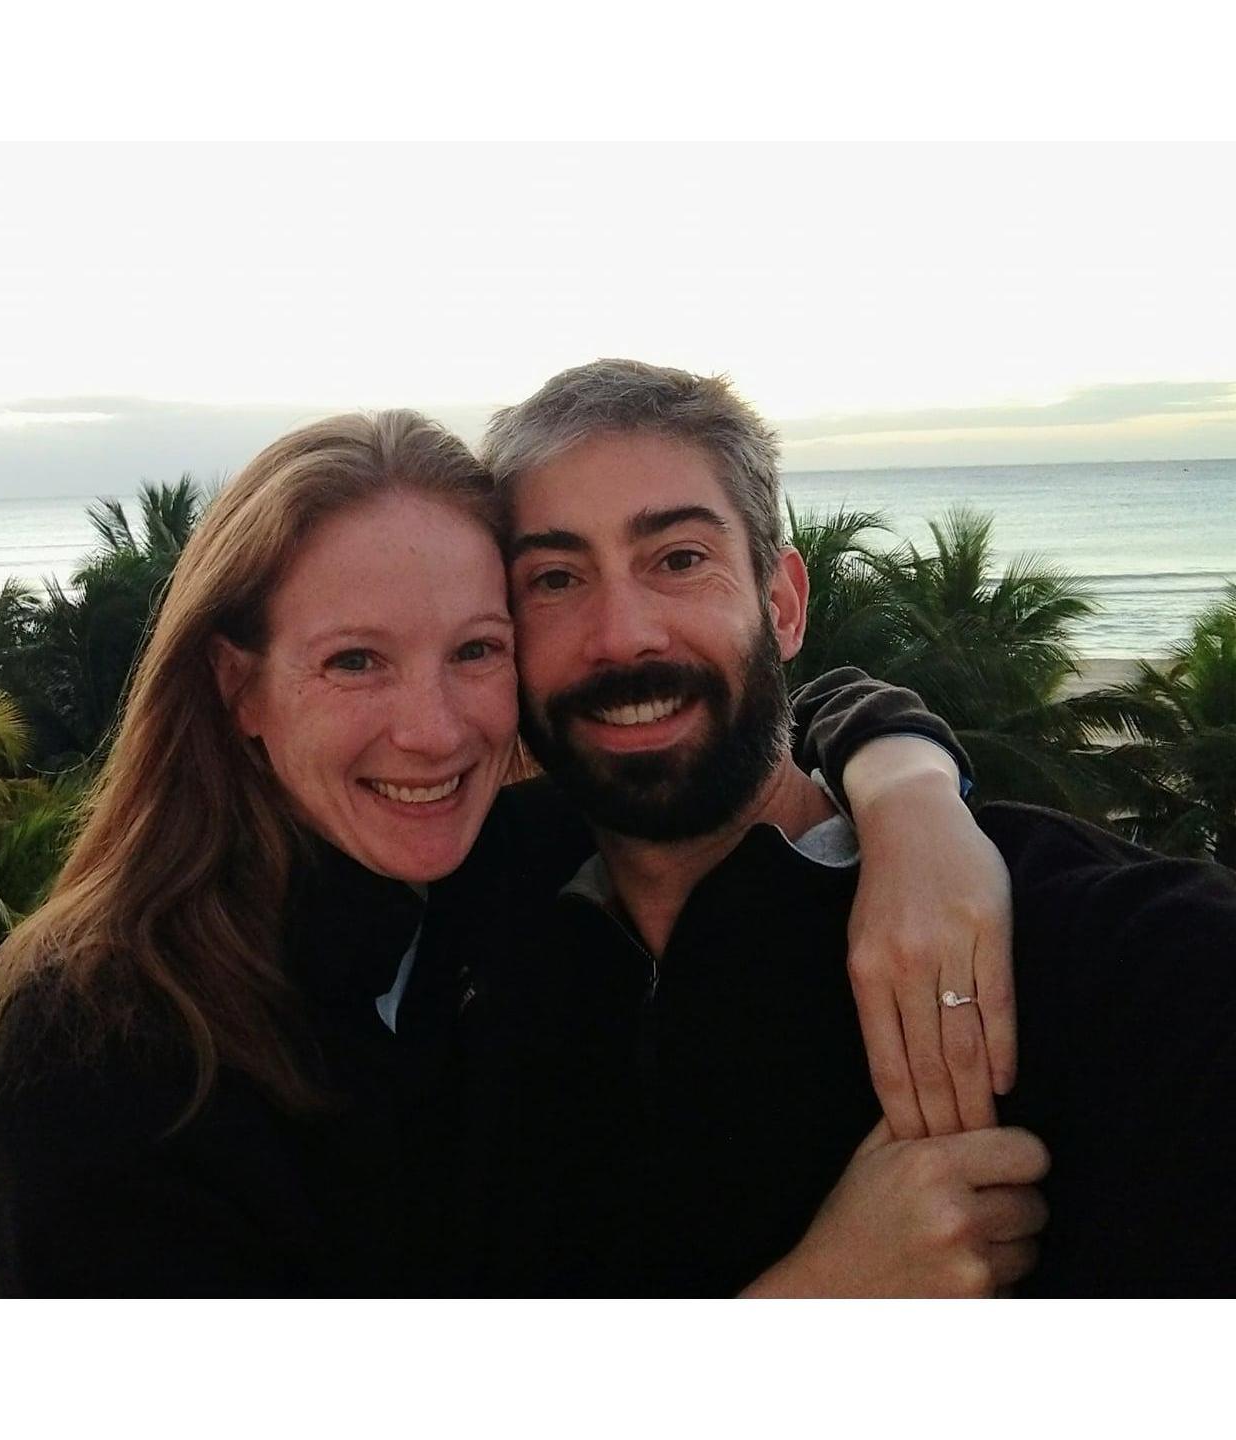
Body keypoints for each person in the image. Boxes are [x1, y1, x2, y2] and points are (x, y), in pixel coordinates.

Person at [0, 409, 1014, 1297]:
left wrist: (910, 797)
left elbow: (742, 715)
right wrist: (815, 1302)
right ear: (238, 685)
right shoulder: (106, 1034)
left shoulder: (513, 864)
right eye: (355, 661)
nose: (433, 733)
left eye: (475, 649)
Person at [468, 358, 1236, 1297]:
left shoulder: (1104, 949)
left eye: (680, 559)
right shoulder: (468, 936)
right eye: (555, 578)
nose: (623, 634)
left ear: (783, 605)